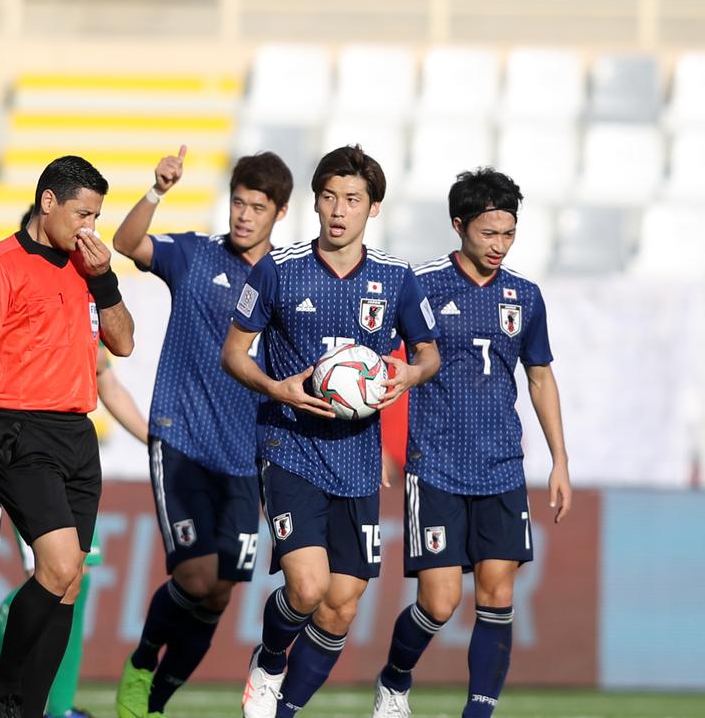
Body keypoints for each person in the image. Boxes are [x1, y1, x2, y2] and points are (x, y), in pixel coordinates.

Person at [221, 145, 441, 718]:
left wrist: (408, 374)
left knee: (341, 605)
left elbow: (429, 354)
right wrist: (277, 388)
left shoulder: (396, 278)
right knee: (309, 587)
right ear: (315, 203)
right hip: (288, 445)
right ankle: (269, 661)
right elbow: (234, 354)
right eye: (329, 197)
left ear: (373, 209)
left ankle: (285, 710)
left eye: (353, 199)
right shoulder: (278, 268)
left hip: (358, 460)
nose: (339, 209)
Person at [371, 168, 572, 718]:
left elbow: (539, 376)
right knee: (439, 603)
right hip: (434, 465)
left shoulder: (524, 296)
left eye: (508, 234)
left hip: (502, 466)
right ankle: (394, 679)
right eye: (489, 233)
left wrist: (560, 461)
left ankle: (478, 712)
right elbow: (376, 365)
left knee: (498, 599)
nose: (499, 246)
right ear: (459, 225)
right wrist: (374, 442)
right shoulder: (421, 285)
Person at [111, 147, 292, 718]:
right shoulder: (193, 253)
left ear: (279, 214)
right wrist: (156, 190)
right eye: (238, 202)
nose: (243, 216)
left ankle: (157, 702)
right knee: (193, 575)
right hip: (181, 435)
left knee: (218, 592)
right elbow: (126, 243)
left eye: (257, 207)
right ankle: (142, 662)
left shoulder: (287, 281)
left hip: (243, 458)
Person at [0, 155, 135, 718]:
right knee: (56, 566)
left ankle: (28, 709)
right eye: (83, 213)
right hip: (18, 429)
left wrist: (104, 278)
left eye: (97, 216)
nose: (91, 227)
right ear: (48, 202)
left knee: (70, 582)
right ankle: (3, 694)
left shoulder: (87, 269)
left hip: (77, 434)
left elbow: (124, 343)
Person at [0, 343, 150, 718]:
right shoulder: (31, 298)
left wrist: (155, 442)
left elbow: (107, 379)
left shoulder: (85, 304)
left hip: (72, 452)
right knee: (55, 573)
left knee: (76, 578)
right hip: (27, 447)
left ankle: (52, 704)